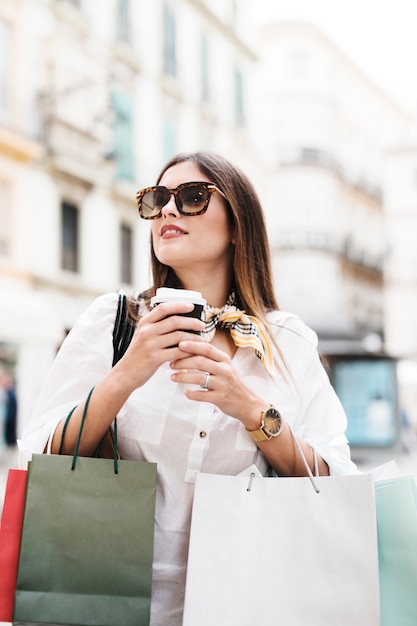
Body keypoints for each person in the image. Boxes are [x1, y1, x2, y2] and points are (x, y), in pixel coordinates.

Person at [20, 151, 358, 626]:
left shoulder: (287, 341)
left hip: (245, 603)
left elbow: (338, 483)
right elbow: (38, 459)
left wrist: (253, 412)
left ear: (239, 224)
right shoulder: (111, 322)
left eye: (193, 197)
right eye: (157, 200)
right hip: (103, 599)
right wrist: (126, 375)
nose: (168, 211)